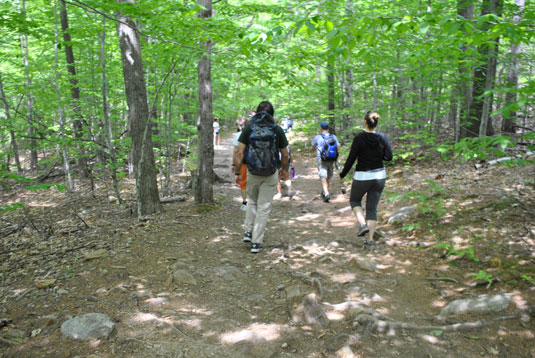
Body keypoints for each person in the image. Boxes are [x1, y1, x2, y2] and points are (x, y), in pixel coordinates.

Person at [233, 101, 289, 253]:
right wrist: (284, 170)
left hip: (252, 171)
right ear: (272, 114)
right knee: (264, 207)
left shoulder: (249, 128)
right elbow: (284, 153)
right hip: (270, 173)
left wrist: (238, 172)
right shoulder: (277, 129)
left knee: (252, 201)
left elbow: (239, 152)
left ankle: (248, 231)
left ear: (257, 112)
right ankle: (256, 243)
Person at [339, 111, 393, 245]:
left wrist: (342, 174)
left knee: (354, 200)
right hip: (379, 176)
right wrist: (380, 157)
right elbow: (389, 157)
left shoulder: (359, 138)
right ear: (376, 123)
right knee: (372, 208)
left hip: (362, 176)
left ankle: (363, 225)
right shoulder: (382, 137)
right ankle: (370, 240)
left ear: (365, 122)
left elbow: (351, 158)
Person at [311, 121, 341, 202]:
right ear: (328, 128)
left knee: (323, 176)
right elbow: (338, 147)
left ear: (321, 128)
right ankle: (326, 191)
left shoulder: (318, 137)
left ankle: (326, 193)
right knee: (328, 176)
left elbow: (312, 148)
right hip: (331, 159)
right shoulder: (333, 136)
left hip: (322, 159)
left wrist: (316, 147)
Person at [232, 118, 249, 211]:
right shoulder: (258, 135)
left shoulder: (238, 135)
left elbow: (236, 152)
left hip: (244, 163)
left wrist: (234, 165)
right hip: (257, 163)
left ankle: (245, 203)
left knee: (244, 183)